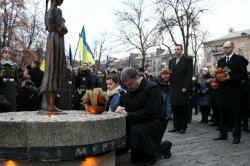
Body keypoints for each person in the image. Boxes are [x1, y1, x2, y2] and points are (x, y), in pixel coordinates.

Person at [115, 67, 167, 166]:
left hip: (155, 120)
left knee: (137, 131)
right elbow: (127, 104)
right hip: (137, 117)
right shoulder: (128, 88)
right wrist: (122, 108)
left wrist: (128, 114)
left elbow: (151, 112)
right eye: (126, 85)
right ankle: (125, 147)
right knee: (122, 126)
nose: (129, 87)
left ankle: (154, 153)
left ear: (137, 77)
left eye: (130, 84)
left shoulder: (152, 88)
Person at [213, 41, 248, 144]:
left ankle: (236, 136)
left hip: (235, 91)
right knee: (223, 113)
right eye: (224, 48)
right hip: (223, 91)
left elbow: (243, 75)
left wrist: (230, 78)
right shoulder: (221, 61)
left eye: (227, 48)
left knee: (236, 114)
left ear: (232, 48)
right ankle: (223, 134)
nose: (225, 50)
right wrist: (217, 78)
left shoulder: (239, 59)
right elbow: (218, 74)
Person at [40, 0, 68, 112]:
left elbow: (48, 27)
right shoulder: (58, 11)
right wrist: (65, 27)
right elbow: (62, 29)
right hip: (57, 40)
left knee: (51, 70)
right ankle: (51, 105)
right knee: (55, 70)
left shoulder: (48, 12)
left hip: (50, 40)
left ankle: (50, 104)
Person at [168, 44, 193, 134]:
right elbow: (169, 74)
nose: (176, 51)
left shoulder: (187, 60)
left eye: (178, 49)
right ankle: (176, 126)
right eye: (175, 49)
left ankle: (183, 127)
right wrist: (167, 78)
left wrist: (186, 87)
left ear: (182, 50)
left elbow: (189, 75)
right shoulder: (171, 61)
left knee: (183, 109)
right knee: (175, 108)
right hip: (173, 88)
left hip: (183, 88)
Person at [0, 47, 19, 111]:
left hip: (12, 87)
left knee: (12, 105)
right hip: (2, 86)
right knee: (3, 104)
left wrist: (17, 89)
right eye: (5, 53)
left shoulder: (15, 65)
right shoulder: (0, 64)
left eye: (9, 53)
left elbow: (17, 79)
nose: (7, 54)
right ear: (2, 54)